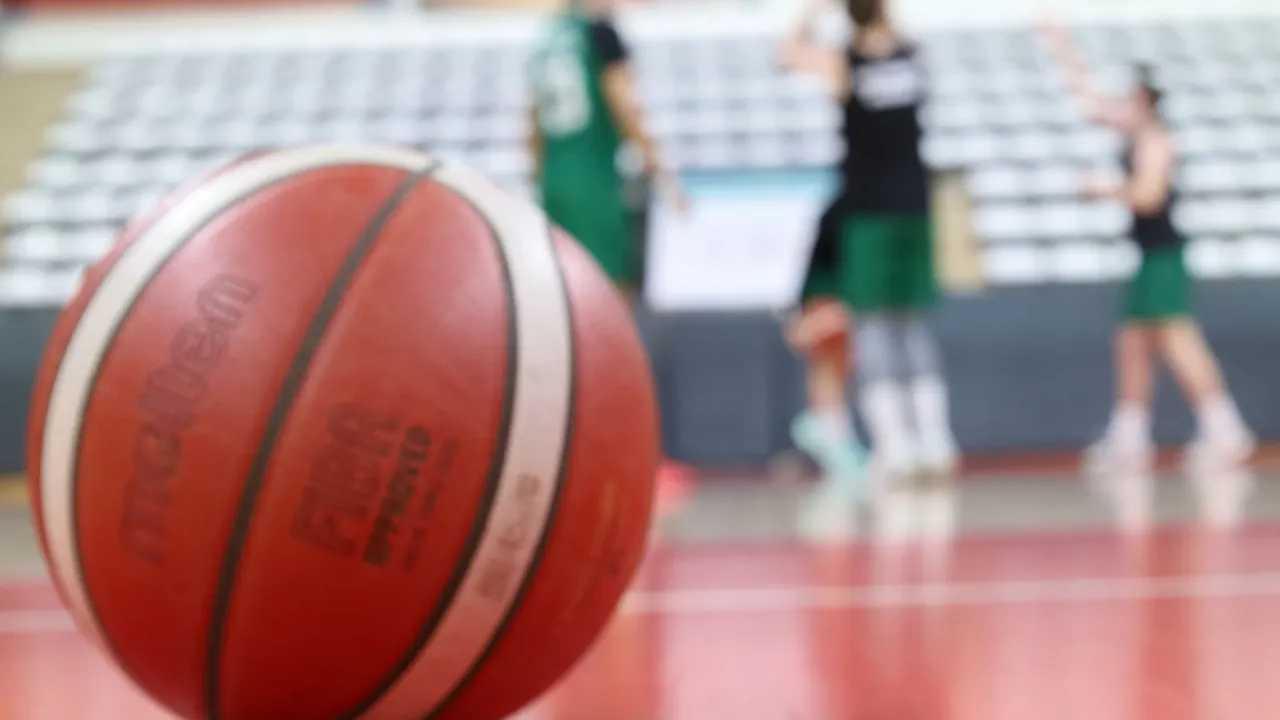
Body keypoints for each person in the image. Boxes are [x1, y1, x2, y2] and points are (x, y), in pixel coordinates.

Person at [1039, 21, 1254, 476]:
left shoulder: (1156, 140)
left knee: (1178, 341)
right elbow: (1091, 101)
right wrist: (1061, 46)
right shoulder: (1134, 134)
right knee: (1132, 342)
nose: (1122, 103)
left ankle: (1224, 428)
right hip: (1148, 255)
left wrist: (1106, 189)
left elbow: (1149, 196)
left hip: (1163, 255)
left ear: (1145, 100)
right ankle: (1130, 436)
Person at [780, 0, 960, 495]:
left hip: (867, 211)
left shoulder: (844, 62)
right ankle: (935, 442)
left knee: (876, 326)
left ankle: (896, 445)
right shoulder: (911, 53)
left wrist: (813, 12)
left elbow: (787, 53)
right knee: (911, 324)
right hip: (914, 205)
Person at [528, 0, 690, 511]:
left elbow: (530, 124)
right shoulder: (600, 33)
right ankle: (628, 458)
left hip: (555, 188)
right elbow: (622, 100)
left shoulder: (548, 37)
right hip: (596, 188)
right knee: (613, 327)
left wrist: (544, 182)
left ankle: (565, 456)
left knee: (565, 329)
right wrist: (660, 168)